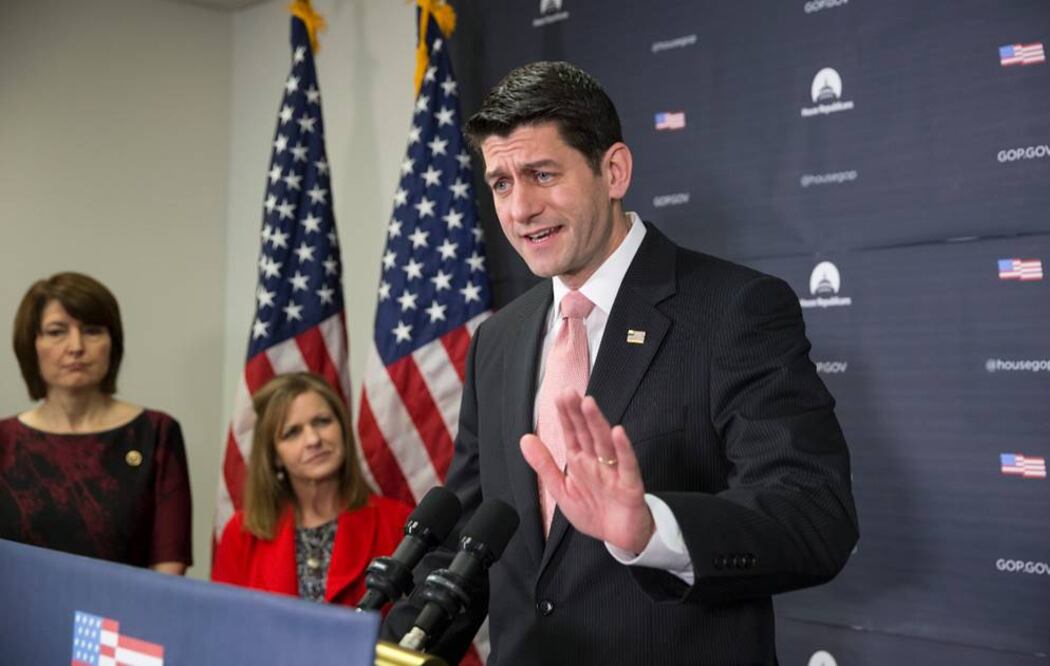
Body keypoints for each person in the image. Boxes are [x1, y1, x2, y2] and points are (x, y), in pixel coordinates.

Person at [386, 61, 859, 664]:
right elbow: (471, 538)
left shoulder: (734, 310)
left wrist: (650, 529)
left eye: (542, 174)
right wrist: (385, 647)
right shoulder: (498, 340)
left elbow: (814, 513)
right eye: (501, 183)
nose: (520, 208)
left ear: (613, 171)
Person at [1, 272, 192, 574]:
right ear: (31, 344)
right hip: (18, 617)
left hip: (126, 618)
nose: (76, 346)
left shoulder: (156, 433)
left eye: (91, 331)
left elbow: (169, 563)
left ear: (112, 344)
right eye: (56, 332)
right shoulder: (5, 441)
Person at [212, 372, 412, 605]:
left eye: (322, 421)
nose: (313, 440)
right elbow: (223, 628)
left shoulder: (398, 522)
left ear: (343, 429)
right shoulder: (242, 534)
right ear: (275, 456)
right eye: (293, 432)